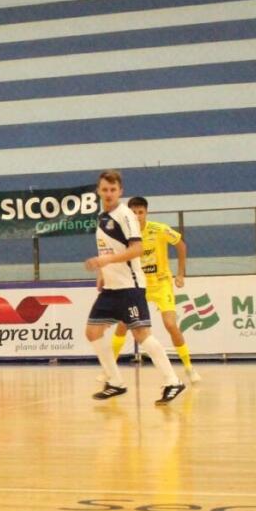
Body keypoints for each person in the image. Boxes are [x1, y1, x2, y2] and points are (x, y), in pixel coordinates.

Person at [85, 170, 185, 406]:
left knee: (141, 335)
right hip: (111, 288)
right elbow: (106, 248)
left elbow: (137, 249)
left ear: (120, 191)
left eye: (113, 190)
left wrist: (106, 261)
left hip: (130, 287)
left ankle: (173, 381)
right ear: (98, 191)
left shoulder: (126, 215)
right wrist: (102, 273)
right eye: (104, 189)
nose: (108, 194)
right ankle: (115, 382)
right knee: (93, 332)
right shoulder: (102, 217)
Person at [110, 197, 200, 384]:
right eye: (133, 213)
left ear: (146, 213)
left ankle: (189, 367)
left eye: (140, 212)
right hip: (138, 285)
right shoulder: (124, 235)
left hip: (161, 283)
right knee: (123, 324)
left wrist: (180, 274)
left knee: (170, 325)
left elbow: (181, 245)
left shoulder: (159, 229)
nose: (137, 216)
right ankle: (109, 370)